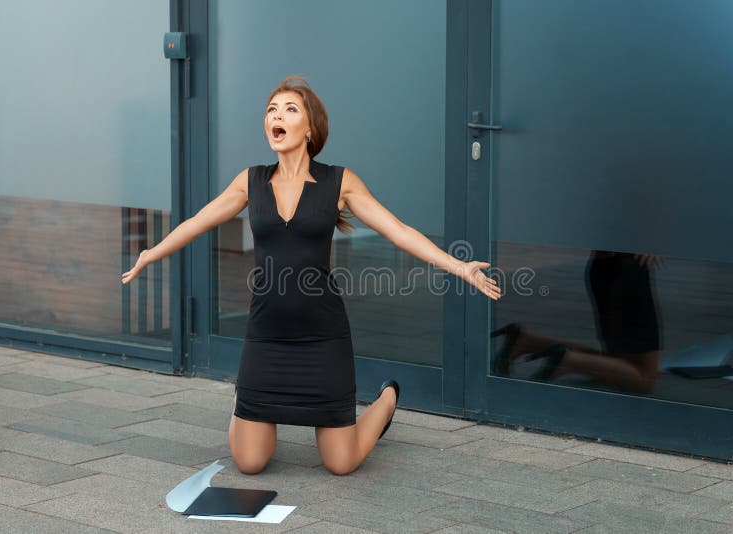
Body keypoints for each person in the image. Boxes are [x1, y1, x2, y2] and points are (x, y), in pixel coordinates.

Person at [121, 76, 501, 475]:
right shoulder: (250, 181)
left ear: (310, 128)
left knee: (342, 463)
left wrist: (459, 266)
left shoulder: (340, 181)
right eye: (271, 110)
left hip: (322, 336)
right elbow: (199, 221)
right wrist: (151, 252)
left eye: (289, 109)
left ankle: (387, 399)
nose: (276, 117)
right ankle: (245, 399)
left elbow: (399, 231)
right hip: (266, 334)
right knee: (249, 463)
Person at [491, 251, 661, 394]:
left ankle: (526, 341)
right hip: (629, 270)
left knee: (619, 362)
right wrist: (648, 242)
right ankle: (567, 360)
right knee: (644, 378)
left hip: (603, 267)